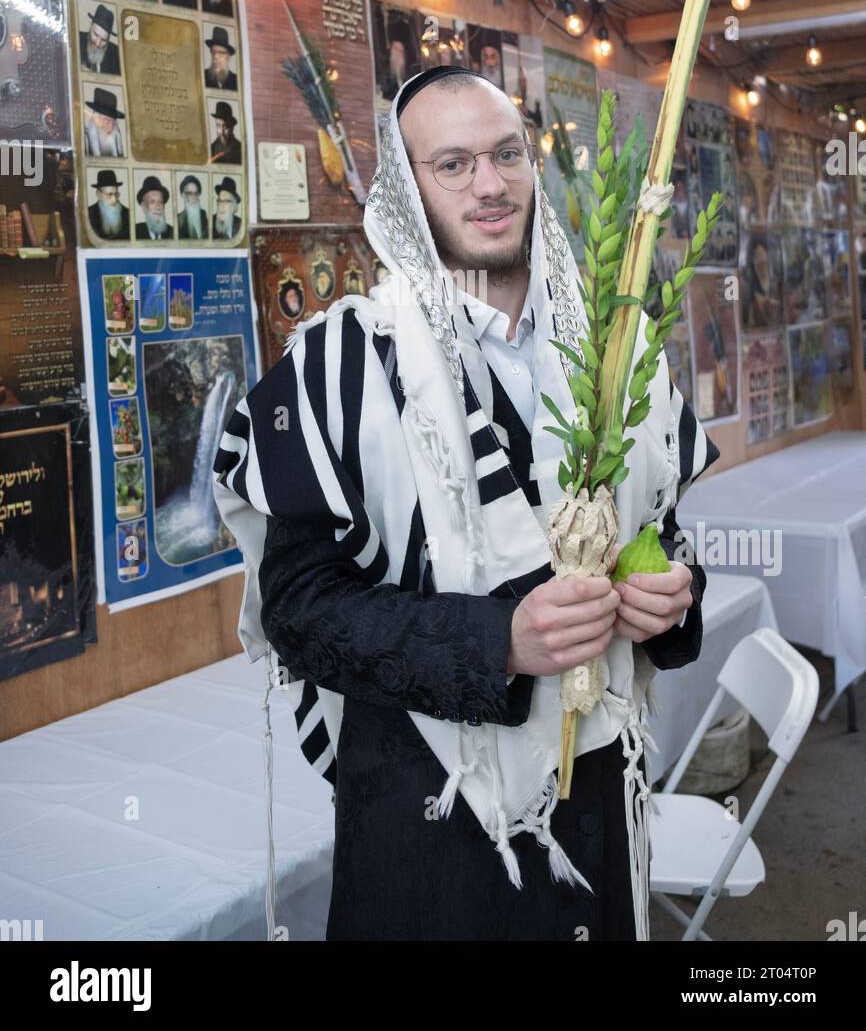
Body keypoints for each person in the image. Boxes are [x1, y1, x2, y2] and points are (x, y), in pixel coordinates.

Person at [213, 65, 719, 943]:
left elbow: (663, 531)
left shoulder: (620, 346)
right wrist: (500, 643)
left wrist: (672, 594)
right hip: (429, 828)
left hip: (600, 806)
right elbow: (298, 612)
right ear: (406, 194)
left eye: (507, 155)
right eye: (453, 165)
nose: (490, 185)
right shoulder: (339, 366)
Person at [88, 168, 130, 240]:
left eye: (116, 194)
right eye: (109, 194)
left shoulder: (127, 213)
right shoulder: (88, 213)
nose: (114, 199)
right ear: (98, 194)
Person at [84, 87, 126, 157]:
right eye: (107, 120)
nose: (111, 126)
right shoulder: (85, 136)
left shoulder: (116, 134)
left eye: (113, 121)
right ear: (96, 118)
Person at [80, 3, 121, 75]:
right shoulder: (76, 39)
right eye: (95, 35)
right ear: (90, 26)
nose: (97, 43)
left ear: (108, 38)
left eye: (103, 40)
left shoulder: (116, 54)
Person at [135, 175, 174, 240]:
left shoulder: (173, 233)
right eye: (152, 202)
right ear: (144, 207)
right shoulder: (134, 233)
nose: (158, 207)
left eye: (160, 202)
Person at [204, 26, 237, 91]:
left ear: (228, 57)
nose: (215, 57)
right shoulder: (203, 76)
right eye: (213, 52)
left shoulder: (236, 81)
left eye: (221, 52)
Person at [209, 100, 242, 165]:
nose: (221, 132)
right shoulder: (211, 150)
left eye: (226, 126)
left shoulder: (241, 150)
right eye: (218, 126)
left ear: (232, 127)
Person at [176, 175, 209, 239]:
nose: (193, 197)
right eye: (189, 193)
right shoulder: (179, 219)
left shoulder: (203, 214)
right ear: (183, 195)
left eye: (196, 193)